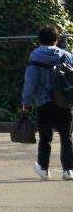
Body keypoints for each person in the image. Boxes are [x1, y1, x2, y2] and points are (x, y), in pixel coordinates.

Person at [21, 25, 73, 180]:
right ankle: (69, 170)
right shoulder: (67, 56)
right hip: (65, 102)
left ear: (39, 41)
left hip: (43, 103)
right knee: (66, 137)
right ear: (56, 40)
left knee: (45, 137)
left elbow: (30, 82)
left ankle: (44, 169)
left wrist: (26, 102)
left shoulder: (35, 56)